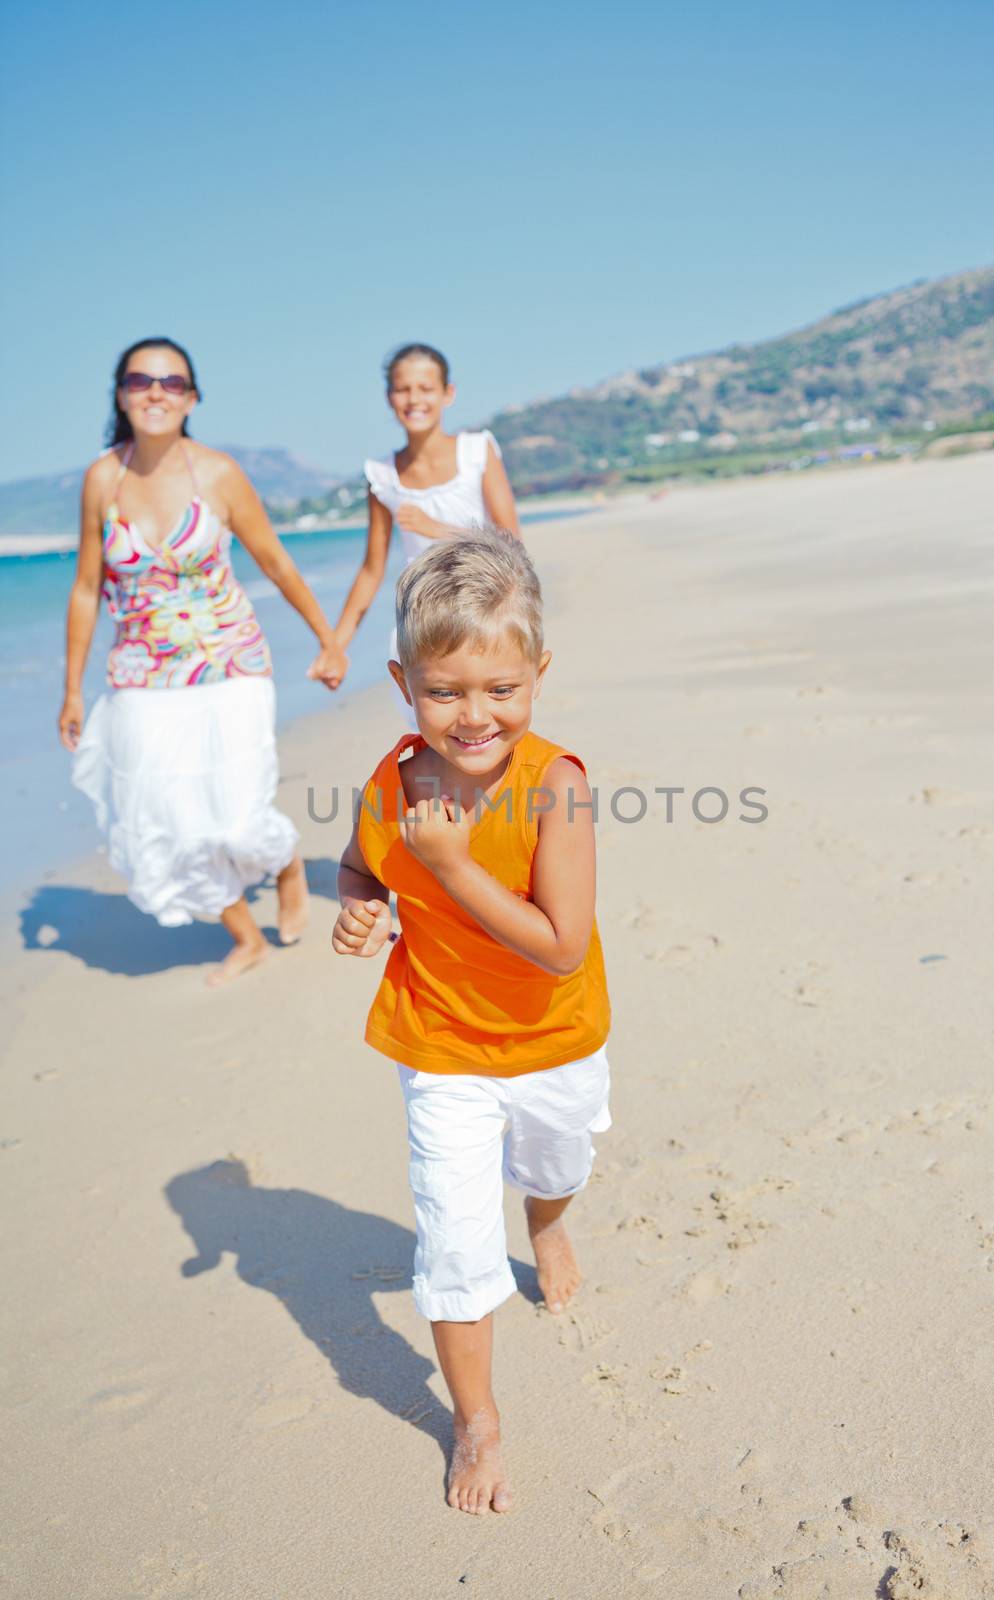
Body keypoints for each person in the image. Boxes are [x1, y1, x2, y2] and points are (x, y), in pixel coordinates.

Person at [331, 529, 611, 1514]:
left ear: (536, 671)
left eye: (499, 688)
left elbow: (561, 943)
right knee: (454, 1243)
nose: (472, 714)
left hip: (551, 1039)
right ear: (405, 681)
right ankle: (475, 1419)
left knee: (554, 1167)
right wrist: (359, 902)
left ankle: (549, 1226)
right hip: (439, 1041)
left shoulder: (555, 786)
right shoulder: (395, 781)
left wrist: (451, 867)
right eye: (445, 690)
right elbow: (363, 860)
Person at [60, 336, 348, 986]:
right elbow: (85, 588)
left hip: (230, 667)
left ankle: (287, 863)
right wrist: (72, 691)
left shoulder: (216, 473)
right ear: (121, 392)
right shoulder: (102, 479)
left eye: (172, 381)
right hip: (140, 677)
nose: (156, 391)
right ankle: (246, 938)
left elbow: (273, 559)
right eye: (141, 380)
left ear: (191, 398)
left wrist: (328, 639)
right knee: (173, 825)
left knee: (238, 820)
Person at [333, 344, 520, 697]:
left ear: (448, 394)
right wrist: (335, 646)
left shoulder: (477, 451)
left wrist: (440, 531)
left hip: (485, 620)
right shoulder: (382, 474)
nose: (414, 398)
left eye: (426, 388)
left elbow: (513, 543)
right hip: (419, 628)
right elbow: (371, 571)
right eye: (403, 389)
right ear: (389, 397)